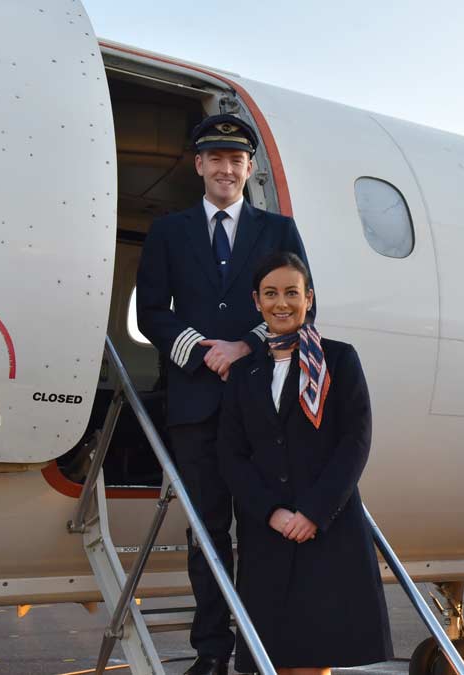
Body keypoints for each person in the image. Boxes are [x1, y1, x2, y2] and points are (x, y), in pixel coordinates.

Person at [136, 114, 310, 675]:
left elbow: (303, 305)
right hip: (194, 403)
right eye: (215, 158)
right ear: (199, 166)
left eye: (236, 160)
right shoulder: (168, 231)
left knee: (262, 525)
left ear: (249, 168)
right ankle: (211, 650)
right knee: (206, 530)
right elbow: (150, 314)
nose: (225, 168)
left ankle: (262, 648)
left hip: (260, 398)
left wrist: (245, 347)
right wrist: (200, 350)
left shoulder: (278, 230)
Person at [217, 252, 392, 675]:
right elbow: (231, 453)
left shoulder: (339, 359)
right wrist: (271, 512)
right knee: (273, 659)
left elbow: (356, 441)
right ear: (257, 302)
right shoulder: (245, 373)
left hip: (325, 529)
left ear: (308, 299)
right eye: (271, 294)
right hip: (268, 532)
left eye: (292, 293)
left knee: (315, 660)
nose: (282, 303)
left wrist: (313, 512)